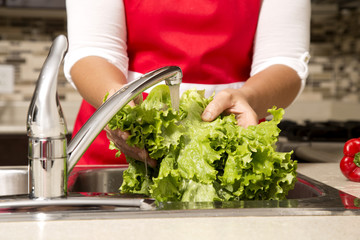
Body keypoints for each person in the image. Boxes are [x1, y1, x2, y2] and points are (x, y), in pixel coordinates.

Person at [64, 0, 311, 167]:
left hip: (231, 141)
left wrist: (248, 98)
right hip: (117, 151)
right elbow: (93, 51)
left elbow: (283, 61)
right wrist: (120, 107)